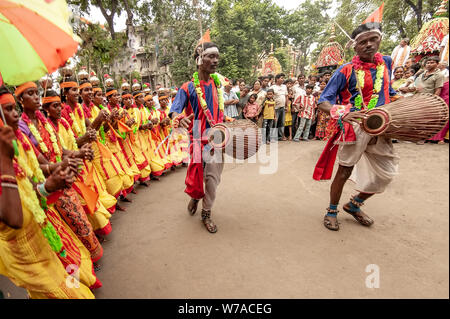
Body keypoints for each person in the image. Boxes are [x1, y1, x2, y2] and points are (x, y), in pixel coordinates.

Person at [0, 86, 95, 299]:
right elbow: (13, 218)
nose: (14, 114)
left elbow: (32, 178)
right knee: (59, 290)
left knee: (64, 267)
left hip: (41, 219)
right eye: (7, 109)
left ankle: (81, 278)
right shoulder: (7, 148)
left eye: (13, 108)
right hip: (20, 247)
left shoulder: (17, 140)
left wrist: (51, 181)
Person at [314, 21, 399, 232]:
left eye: (373, 39)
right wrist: (345, 113)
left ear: (380, 40)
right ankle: (332, 210)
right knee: (344, 171)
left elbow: (389, 91)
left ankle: (354, 204)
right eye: (363, 42)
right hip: (356, 127)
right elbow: (323, 101)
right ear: (355, 46)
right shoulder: (346, 70)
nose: (369, 45)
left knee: (387, 174)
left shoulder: (386, 62)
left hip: (383, 126)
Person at [170, 41, 233, 233]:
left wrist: (225, 121)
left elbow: (218, 109)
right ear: (199, 59)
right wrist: (178, 119)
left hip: (217, 138)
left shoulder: (217, 83)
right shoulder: (188, 87)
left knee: (213, 179)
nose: (215, 61)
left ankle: (206, 213)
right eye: (211, 56)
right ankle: (195, 196)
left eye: (217, 57)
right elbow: (174, 110)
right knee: (197, 178)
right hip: (197, 139)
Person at [270, 73, 288, 141]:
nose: (283, 79)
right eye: (281, 78)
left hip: (282, 107)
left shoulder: (284, 87)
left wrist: (286, 106)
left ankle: (280, 136)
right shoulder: (272, 87)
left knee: (282, 122)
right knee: (275, 122)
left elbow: (286, 96)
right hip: (275, 108)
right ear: (277, 79)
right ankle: (273, 137)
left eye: (283, 78)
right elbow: (270, 97)